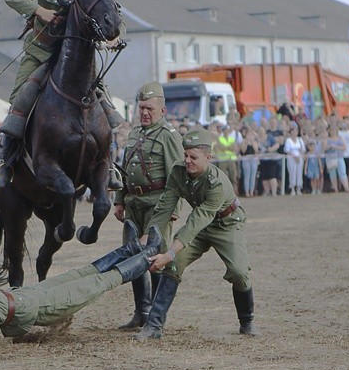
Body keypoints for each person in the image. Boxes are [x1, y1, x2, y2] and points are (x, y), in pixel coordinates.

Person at [0, 0, 125, 188]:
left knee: (104, 104)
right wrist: (40, 10)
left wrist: (115, 36)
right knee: (21, 98)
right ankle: (5, 162)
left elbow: (116, 16)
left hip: (79, 61)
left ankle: (109, 167)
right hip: (42, 54)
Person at [0, 216, 162, 338]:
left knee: (84, 272)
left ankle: (129, 249)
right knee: (100, 281)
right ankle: (150, 252)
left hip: (23, 296)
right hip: (32, 308)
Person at [133, 129, 260, 341]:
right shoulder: (178, 171)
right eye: (185, 155)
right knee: (174, 267)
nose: (187, 161)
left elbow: (196, 220)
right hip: (202, 226)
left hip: (226, 224)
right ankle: (153, 326)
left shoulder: (217, 182)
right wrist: (149, 235)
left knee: (239, 271)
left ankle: (247, 321)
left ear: (208, 158)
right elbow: (165, 207)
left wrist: (169, 253)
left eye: (194, 157)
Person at [113, 82, 184, 329]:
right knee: (133, 257)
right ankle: (141, 312)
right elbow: (125, 170)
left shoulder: (169, 137)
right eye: (141, 108)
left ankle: (155, 316)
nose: (144, 113)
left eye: (149, 109)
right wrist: (119, 200)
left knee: (155, 260)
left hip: (157, 207)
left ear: (162, 111)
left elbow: (177, 179)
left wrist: (172, 212)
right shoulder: (134, 134)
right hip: (133, 205)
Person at [283, 122, 306, 196]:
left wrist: (299, 155)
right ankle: (292, 188)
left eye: (295, 130)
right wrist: (294, 156)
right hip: (291, 159)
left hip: (299, 158)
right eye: (292, 130)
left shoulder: (300, 140)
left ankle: (299, 188)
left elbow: (303, 149)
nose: (294, 132)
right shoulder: (288, 140)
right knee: (292, 173)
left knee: (299, 173)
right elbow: (287, 150)